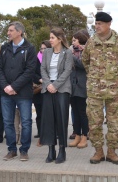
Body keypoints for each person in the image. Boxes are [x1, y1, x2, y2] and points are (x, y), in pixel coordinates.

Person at [81, 12, 118, 165]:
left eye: (100, 24)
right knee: (94, 122)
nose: (97, 26)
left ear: (109, 24)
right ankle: (98, 151)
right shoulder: (91, 42)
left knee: (114, 123)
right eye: (96, 24)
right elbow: (85, 61)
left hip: (114, 90)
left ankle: (112, 152)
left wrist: (114, 76)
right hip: (95, 90)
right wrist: (96, 76)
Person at [0, 21, 36, 161]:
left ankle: (24, 150)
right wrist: (6, 86)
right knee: (8, 122)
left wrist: (14, 87)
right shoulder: (5, 48)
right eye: (8, 30)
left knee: (25, 122)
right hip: (6, 92)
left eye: (11, 30)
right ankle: (11, 150)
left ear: (19, 32)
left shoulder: (30, 48)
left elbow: (30, 71)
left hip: (23, 92)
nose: (8, 33)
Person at [40, 27, 73, 164]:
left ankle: (61, 151)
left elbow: (67, 71)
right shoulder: (47, 52)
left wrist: (55, 85)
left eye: (52, 38)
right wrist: (48, 84)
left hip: (62, 89)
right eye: (50, 37)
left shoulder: (67, 53)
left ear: (60, 39)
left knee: (61, 119)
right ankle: (51, 150)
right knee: (48, 120)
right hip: (48, 88)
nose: (50, 40)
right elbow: (42, 68)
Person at [68, 30, 90, 149]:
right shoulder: (72, 51)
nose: (72, 42)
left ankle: (84, 136)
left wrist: (71, 57)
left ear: (80, 40)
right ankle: (76, 135)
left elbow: (83, 65)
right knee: (75, 112)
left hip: (83, 86)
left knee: (82, 112)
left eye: (74, 40)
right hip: (72, 86)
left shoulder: (86, 51)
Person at [33, 40, 51, 147]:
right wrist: (40, 80)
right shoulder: (36, 59)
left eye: (45, 48)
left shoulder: (53, 58)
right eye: (41, 48)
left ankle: (51, 133)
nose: (43, 50)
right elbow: (32, 73)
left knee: (49, 114)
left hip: (50, 89)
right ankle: (41, 134)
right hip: (39, 90)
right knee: (39, 114)